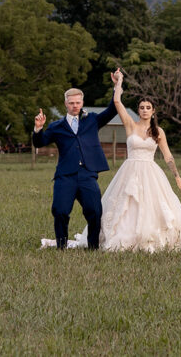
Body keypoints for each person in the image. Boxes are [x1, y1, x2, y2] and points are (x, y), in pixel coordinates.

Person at [42, 69, 181, 252]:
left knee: (155, 207)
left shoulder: (158, 132)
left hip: (152, 173)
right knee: (124, 207)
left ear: (153, 111)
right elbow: (116, 102)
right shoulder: (131, 125)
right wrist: (119, 82)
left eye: (148, 108)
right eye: (142, 107)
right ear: (138, 110)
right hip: (130, 171)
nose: (145, 110)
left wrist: (177, 177)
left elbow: (168, 156)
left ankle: (151, 239)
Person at [33, 80, 117, 249]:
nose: (75, 106)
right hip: (65, 176)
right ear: (66, 104)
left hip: (87, 174)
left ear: (82, 102)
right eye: (71, 103)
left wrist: (117, 86)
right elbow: (39, 142)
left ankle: (93, 247)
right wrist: (38, 129)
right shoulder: (57, 126)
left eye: (78, 102)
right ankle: (61, 246)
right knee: (60, 211)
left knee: (94, 212)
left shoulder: (92, 119)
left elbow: (112, 109)